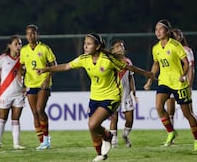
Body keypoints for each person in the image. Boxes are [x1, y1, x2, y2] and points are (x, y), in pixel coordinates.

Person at [36, 33, 153, 162]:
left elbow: (128, 67)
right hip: (95, 97)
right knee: (92, 127)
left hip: (112, 96)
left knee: (92, 124)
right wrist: (47, 69)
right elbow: (65, 66)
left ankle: (107, 137)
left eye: (89, 44)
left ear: (97, 47)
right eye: (85, 43)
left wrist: (146, 74)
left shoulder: (108, 59)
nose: (85, 46)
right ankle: (101, 151)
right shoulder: (84, 59)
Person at [143, 19, 197, 151]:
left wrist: (184, 75)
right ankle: (171, 131)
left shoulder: (175, 45)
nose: (157, 32)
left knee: (188, 114)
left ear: (167, 31)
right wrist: (150, 81)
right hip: (164, 81)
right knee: (158, 106)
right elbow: (156, 64)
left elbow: (186, 63)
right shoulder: (156, 48)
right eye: (156, 29)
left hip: (178, 83)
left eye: (160, 29)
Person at [19, 24, 57, 150]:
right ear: (26, 35)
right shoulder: (24, 50)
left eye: (33, 33)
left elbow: (54, 65)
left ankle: (46, 139)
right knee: (35, 113)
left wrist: (47, 78)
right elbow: (21, 67)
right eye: (28, 33)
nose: (30, 36)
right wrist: (23, 82)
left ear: (37, 34)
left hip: (43, 83)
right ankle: (42, 142)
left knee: (40, 109)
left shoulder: (45, 48)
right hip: (30, 84)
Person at [0, 35, 26, 150]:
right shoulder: (3, 58)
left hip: (19, 93)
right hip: (5, 93)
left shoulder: (24, 58)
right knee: (2, 118)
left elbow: (26, 74)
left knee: (16, 118)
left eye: (20, 44)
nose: (19, 46)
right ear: (9, 45)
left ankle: (16, 144)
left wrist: (25, 86)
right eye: (16, 44)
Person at [108, 39, 137, 148]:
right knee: (114, 118)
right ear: (112, 49)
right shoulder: (109, 62)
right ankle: (114, 141)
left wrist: (134, 91)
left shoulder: (128, 62)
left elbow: (130, 78)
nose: (121, 48)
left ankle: (125, 135)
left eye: (122, 46)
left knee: (130, 120)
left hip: (126, 94)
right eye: (117, 46)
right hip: (113, 94)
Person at [165, 28, 195, 128]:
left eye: (175, 36)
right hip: (170, 83)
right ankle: (171, 136)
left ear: (180, 37)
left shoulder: (186, 50)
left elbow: (191, 69)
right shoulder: (168, 48)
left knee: (189, 112)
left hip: (182, 84)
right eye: (172, 36)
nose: (173, 38)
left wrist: (189, 86)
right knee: (170, 111)